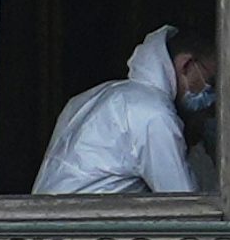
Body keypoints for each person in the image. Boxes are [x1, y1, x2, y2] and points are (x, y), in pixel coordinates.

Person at [32, 25, 217, 195]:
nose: (213, 95)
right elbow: (185, 205)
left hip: (45, 224)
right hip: (82, 227)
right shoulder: (153, 114)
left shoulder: (93, 97)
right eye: (211, 82)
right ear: (186, 65)